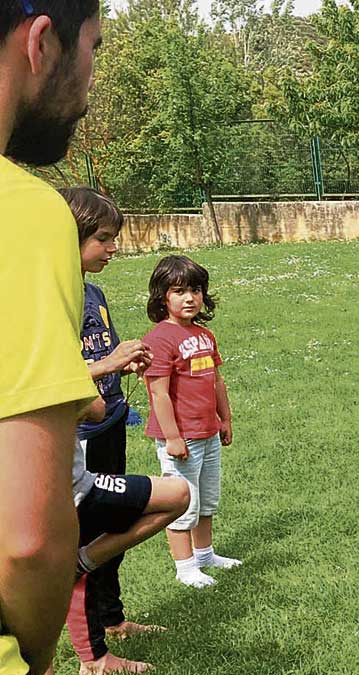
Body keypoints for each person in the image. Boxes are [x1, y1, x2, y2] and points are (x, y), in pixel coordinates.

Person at [0, 2, 104, 673]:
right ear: (41, 44)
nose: (92, 84)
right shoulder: (26, 215)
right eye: (94, 49)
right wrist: (34, 654)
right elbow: (29, 538)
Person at [63, 187, 191, 675]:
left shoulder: (93, 292)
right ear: (69, 238)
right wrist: (106, 364)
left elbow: (100, 354)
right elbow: (51, 378)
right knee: (88, 533)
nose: (114, 248)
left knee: (112, 528)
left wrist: (123, 363)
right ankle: (92, 652)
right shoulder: (53, 297)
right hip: (79, 434)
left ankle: (113, 619)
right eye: (103, 239)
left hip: (110, 420)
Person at [141, 255, 240, 589]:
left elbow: (216, 381)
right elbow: (159, 394)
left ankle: (205, 555)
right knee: (183, 501)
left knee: (207, 499)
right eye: (180, 291)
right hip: (181, 437)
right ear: (162, 297)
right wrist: (172, 437)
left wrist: (224, 418)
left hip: (208, 432)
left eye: (195, 290)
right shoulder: (159, 338)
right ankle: (185, 568)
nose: (190, 298)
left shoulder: (204, 335)